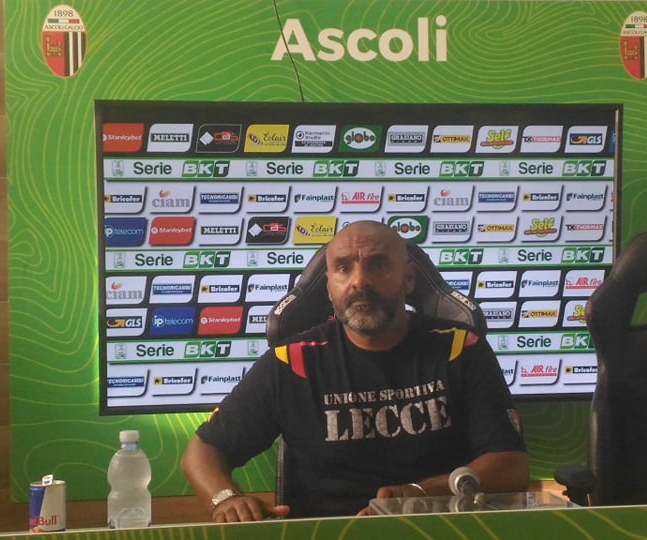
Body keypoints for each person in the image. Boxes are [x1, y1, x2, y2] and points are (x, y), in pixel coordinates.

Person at [181, 220, 528, 522]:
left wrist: (423, 493)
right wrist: (225, 499)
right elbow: (203, 452)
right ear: (329, 286)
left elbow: (511, 466)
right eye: (344, 268)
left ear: (408, 280)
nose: (359, 281)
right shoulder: (293, 361)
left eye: (377, 264)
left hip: (438, 527)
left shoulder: (460, 349)